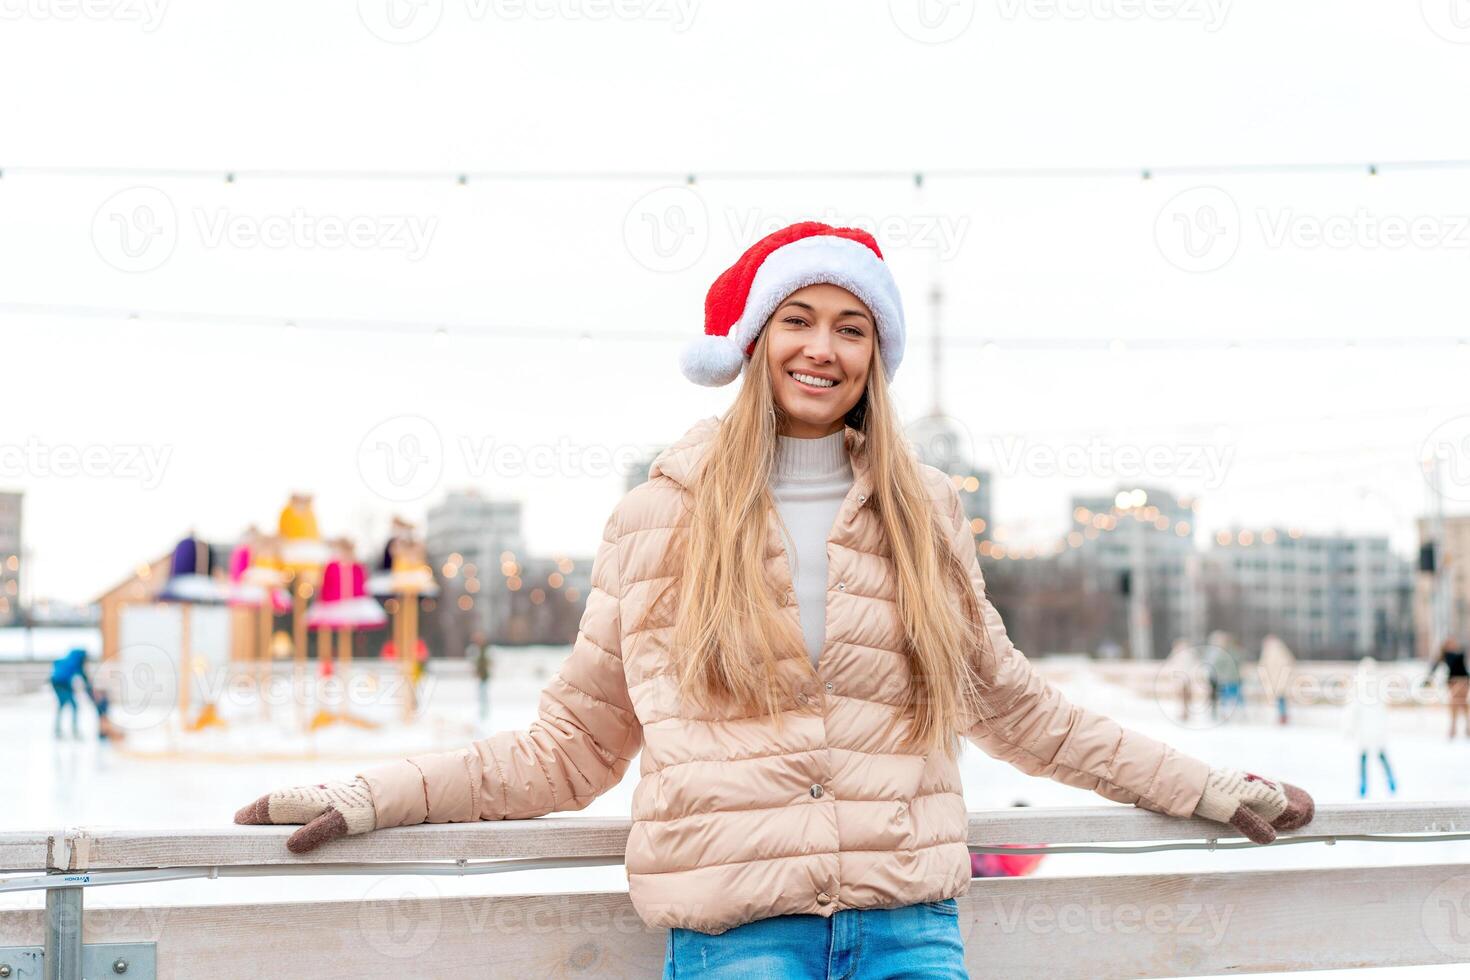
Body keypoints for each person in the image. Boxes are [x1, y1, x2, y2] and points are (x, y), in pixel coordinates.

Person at [235, 220, 1316, 977]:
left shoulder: (923, 510)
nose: (823, 347)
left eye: (852, 326)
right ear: (755, 342)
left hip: (908, 933)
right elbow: (570, 745)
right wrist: (377, 791)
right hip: (734, 939)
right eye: (799, 318)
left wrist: (1210, 785)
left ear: (874, 358)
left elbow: (1022, 709)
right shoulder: (658, 517)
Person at [1343, 656, 1397, 797]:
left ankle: (1363, 786)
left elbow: (1351, 710)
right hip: (1375, 731)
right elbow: (1386, 708)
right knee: (1380, 755)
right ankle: (1390, 782)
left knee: (1365, 757)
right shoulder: (1379, 687)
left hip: (1365, 731)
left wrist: (1349, 728)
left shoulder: (1359, 689)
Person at [1423, 637, 1469, 738]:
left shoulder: (1459, 652)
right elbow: (1434, 667)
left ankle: (1463, 727)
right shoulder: (1446, 655)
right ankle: (1455, 728)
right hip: (1453, 681)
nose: (1452, 644)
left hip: (1464, 680)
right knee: (1455, 702)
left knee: (1462, 702)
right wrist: (1428, 679)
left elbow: (1464, 667)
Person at [50, 647, 94, 739]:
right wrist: (89, 688)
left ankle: (58, 730)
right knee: (74, 706)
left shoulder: (66, 660)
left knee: (62, 706)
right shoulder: (75, 663)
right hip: (61, 685)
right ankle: (73, 731)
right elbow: (83, 675)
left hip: (59, 683)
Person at [1258, 634, 1297, 726]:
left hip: (1274, 678)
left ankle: (1281, 716)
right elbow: (1290, 662)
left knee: (1278, 697)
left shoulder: (1267, 651)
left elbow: (1262, 664)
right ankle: (1282, 716)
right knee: (1281, 697)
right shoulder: (1282, 649)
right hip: (1282, 677)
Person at [468, 629, 492, 723]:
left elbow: (487, 662)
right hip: (481, 676)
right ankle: (482, 711)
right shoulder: (477, 649)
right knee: (481, 694)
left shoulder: (485, 649)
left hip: (484, 676)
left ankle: (484, 711)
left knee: (483, 694)